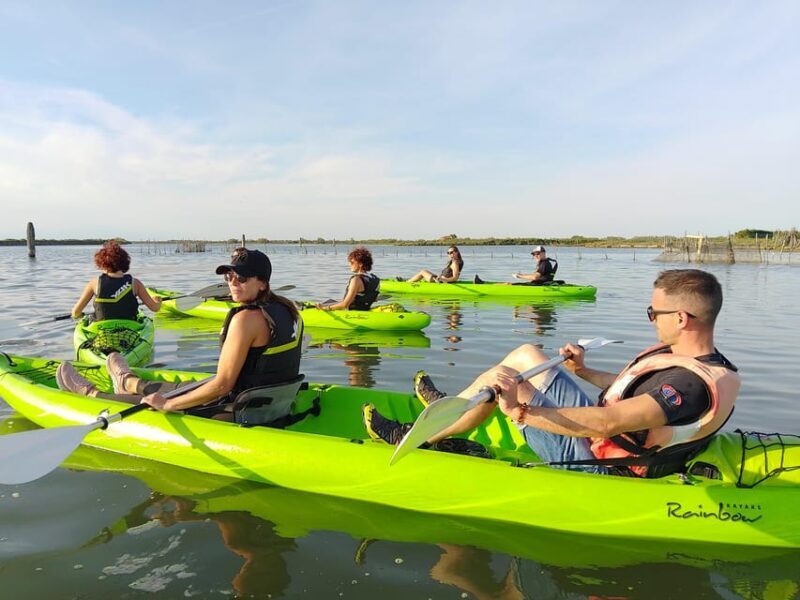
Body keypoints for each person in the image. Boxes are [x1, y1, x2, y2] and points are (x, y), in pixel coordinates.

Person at [364, 269, 740, 478]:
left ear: (681, 318)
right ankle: (457, 406)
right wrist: (583, 370)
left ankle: (420, 437)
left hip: (603, 464)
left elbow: (608, 423)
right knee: (527, 354)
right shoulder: (685, 358)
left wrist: (521, 412)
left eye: (653, 314)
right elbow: (631, 390)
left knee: (503, 382)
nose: (650, 320)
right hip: (604, 440)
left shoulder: (688, 386)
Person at [56, 248, 304, 421]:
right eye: (229, 276)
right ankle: (129, 382)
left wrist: (168, 404)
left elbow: (222, 385)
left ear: (262, 282)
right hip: (271, 401)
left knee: (158, 403)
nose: (232, 283)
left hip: (242, 409)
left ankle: (93, 395)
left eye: (241, 277)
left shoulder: (246, 320)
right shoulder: (289, 310)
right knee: (184, 387)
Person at [71, 240, 162, 320]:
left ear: (102, 264)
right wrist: (158, 301)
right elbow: (155, 308)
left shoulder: (94, 283)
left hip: (101, 330)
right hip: (130, 328)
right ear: (125, 262)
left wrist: (81, 316)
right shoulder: (135, 283)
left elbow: (75, 313)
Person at [315, 246, 380, 311]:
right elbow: (374, 299)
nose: (349, 265)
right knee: (329, 301)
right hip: (365, 310)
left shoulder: (356, 280)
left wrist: (324, 308)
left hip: (352, 314)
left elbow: (345, 304)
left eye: (352, 263)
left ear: (360, 264)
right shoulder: (375, 279)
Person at [473, 246, 558, 285]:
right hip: (538, 285)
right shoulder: (544, 262)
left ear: (543, 253)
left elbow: (535, 277)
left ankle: (483, 284)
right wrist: (521, 275)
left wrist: (519, 276)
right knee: (508, 283)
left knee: (508, 284)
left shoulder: (544, 263)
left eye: (537, 254)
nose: (535, 256)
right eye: (534, 254)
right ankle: (484, 283)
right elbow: (535, 276)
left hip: (538, 286)